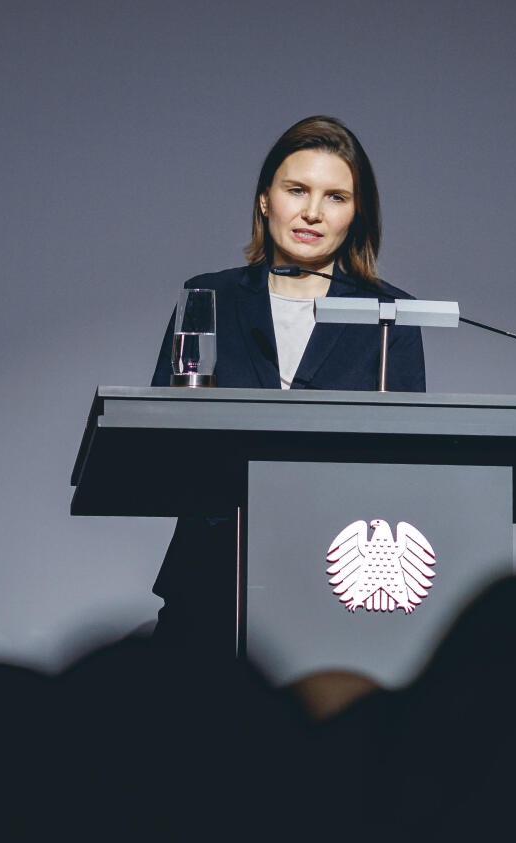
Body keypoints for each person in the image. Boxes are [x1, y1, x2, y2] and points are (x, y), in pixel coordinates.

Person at [151, 116, 426, 651]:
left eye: (336, 196)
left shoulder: (390, 314)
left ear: (357, 212)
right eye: (296, 190)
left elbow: (410, 458)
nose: (312, 213)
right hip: (209, 583)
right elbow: (163, 433)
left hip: (338, 586)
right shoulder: (208, 299)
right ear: (264, 200)